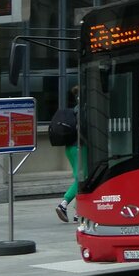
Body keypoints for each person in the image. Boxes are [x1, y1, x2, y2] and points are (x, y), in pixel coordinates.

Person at [54, 85, 79, 223]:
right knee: (82, 179)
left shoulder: (74, 109)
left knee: (81, 178)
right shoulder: (84, 109)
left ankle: (79, 212)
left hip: (70, 148)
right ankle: (63, 204)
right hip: (80, 148)